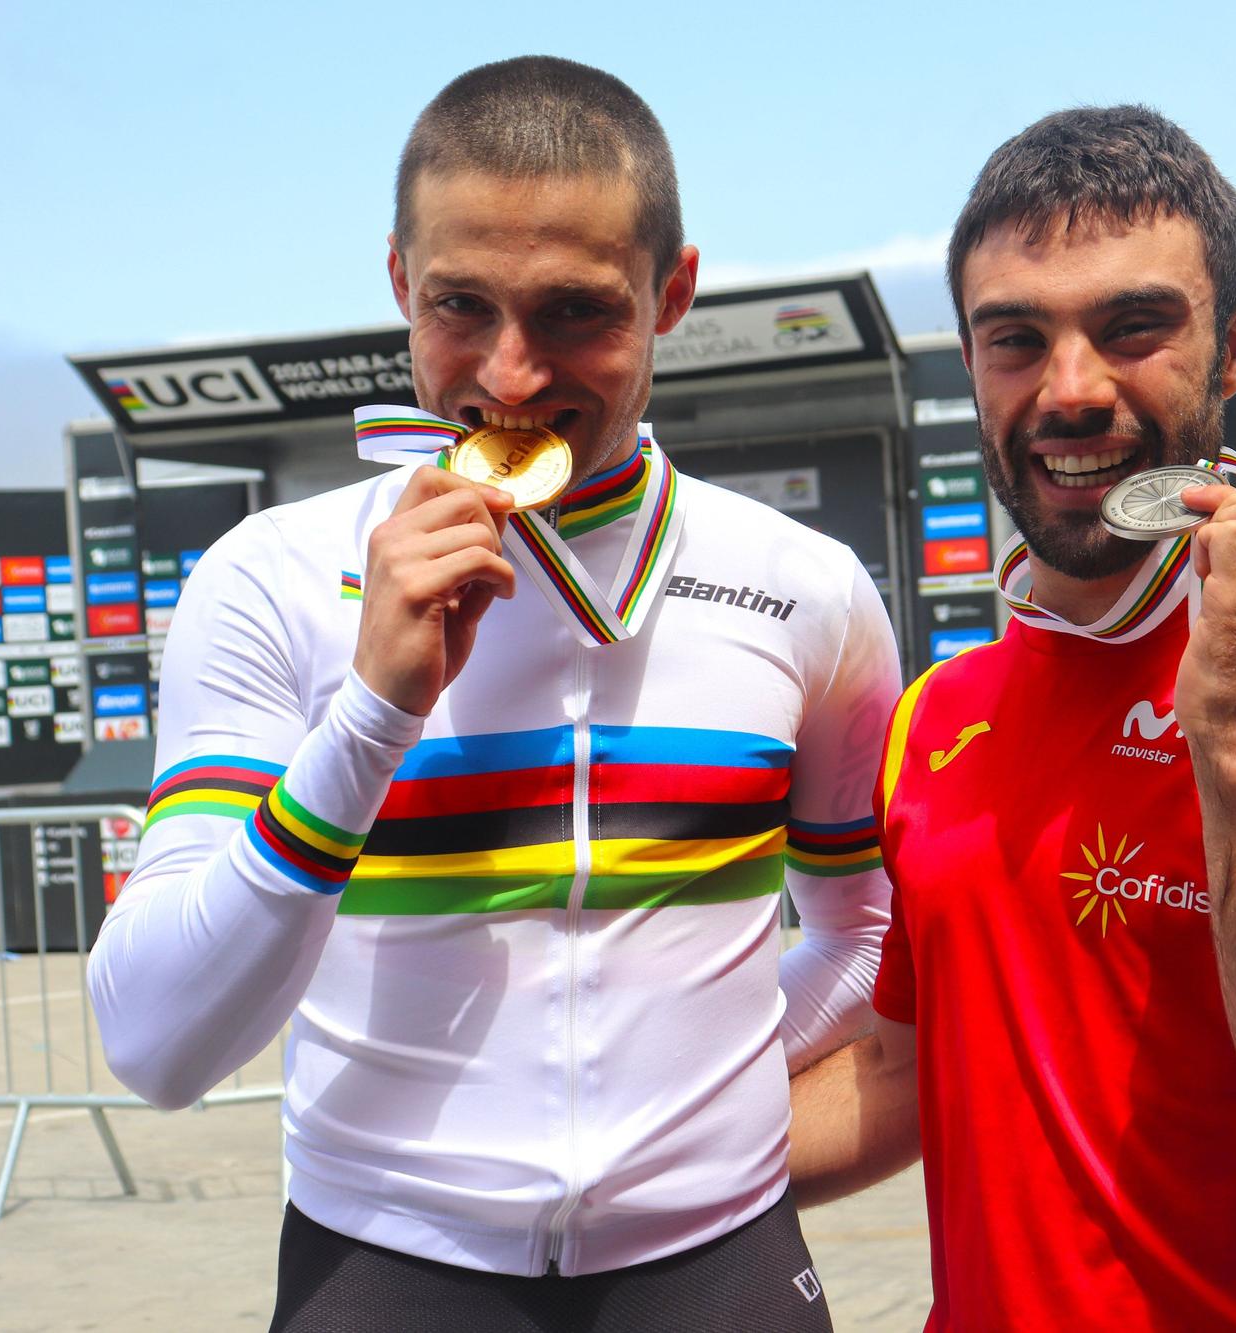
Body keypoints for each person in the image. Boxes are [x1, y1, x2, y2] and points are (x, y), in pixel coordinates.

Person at [88, 56, 898, 1332]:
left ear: (670, 294)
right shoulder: (272, 578)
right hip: (383, 1256)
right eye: (462, 304)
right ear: (400, 280)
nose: (511, 376)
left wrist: (696, 1093)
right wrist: (368, 718)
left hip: (714, 1255)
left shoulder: (805, 587)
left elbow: (858, 929)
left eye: (576, 312)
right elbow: (155, 1044)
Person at [787, 106, 1236, 1331]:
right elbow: (906, 1067)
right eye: (1015, 338)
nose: (1069, 390)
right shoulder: (933, 716)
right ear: (970, 362)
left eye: (1132, 327)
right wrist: (579, 1187)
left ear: (1234, 344)